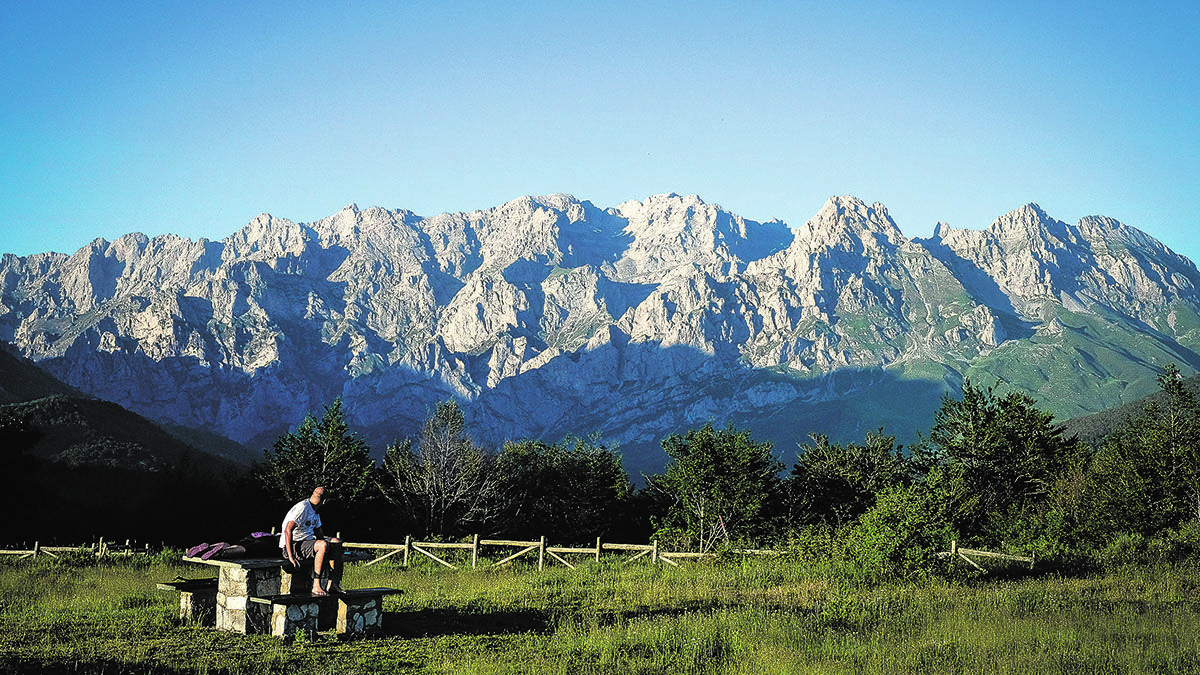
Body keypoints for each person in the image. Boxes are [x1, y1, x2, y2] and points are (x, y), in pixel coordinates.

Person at [279, 486, 345, 596]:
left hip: (307, 541)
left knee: (336, 542)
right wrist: (291, 556)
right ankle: (316, 585)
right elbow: (287, 530)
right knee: (322, 545)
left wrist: (331, 547)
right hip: (293, 545)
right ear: (324, 501)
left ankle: (333, 583)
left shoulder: (315, 511)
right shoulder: (303, 508)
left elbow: (319, 533)